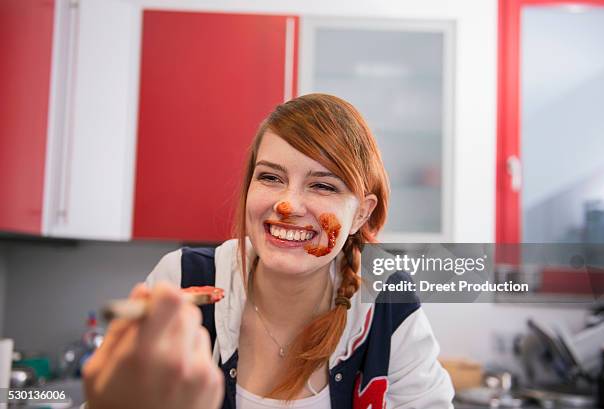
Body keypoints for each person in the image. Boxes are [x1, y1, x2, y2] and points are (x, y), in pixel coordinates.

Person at [83, 93, 454, 409]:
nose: (287, 205)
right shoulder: (184, 281)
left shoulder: (386, 301)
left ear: (361, 213)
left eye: (322, 186)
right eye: (270, 178)